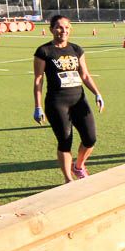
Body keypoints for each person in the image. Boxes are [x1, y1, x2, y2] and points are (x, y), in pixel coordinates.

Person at [33, 15, 104, 182]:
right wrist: (37, 106)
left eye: (66, 27)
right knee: (65, 141)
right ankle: (68, 179)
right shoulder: (44, 51)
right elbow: (38, 79)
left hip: (79, 100)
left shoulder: (76, 49)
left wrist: (97, 93)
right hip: (57, 102)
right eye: (59, 27)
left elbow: (85, 75)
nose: (63, 31)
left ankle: (78, 166)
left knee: (90, 138)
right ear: (51, 29)